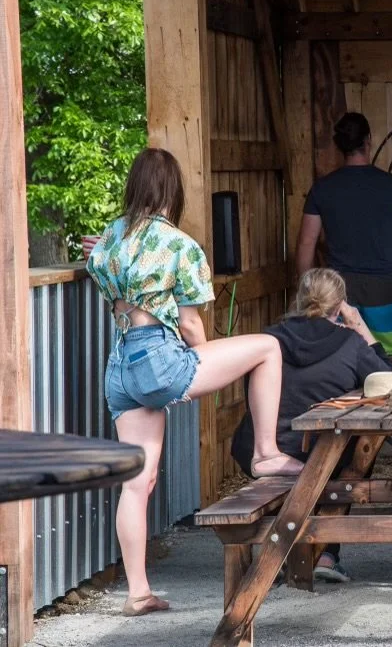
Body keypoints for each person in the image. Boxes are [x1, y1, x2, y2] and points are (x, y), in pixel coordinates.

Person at [86, 148, 303, 617]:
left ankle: (138, 592)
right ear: (173, 191)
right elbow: (190, 328)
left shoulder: (110, 238)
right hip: (160, 359)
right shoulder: (181, 245)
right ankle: (266, 452)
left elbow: (98, 261)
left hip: (121, 366)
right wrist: (203, 361)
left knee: (137, 484)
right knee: (268, 348)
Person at [231, 268, 392, 583]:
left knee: (320, 453)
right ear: (341, 304)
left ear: (299, 298)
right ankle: (327, 554)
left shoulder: (268, 339)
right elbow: (387, 381)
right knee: (358, 450)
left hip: (261, 450)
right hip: (322, 454)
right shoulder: (350, 342)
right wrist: (359, 325)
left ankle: (278, 547)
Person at [295, 112, 392, 368]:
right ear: (368, 140)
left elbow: (306, 244)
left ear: (340, 146)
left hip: (339, 292)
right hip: (385, 291)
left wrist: (308, 292)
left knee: (337, 362)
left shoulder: (322, 189)